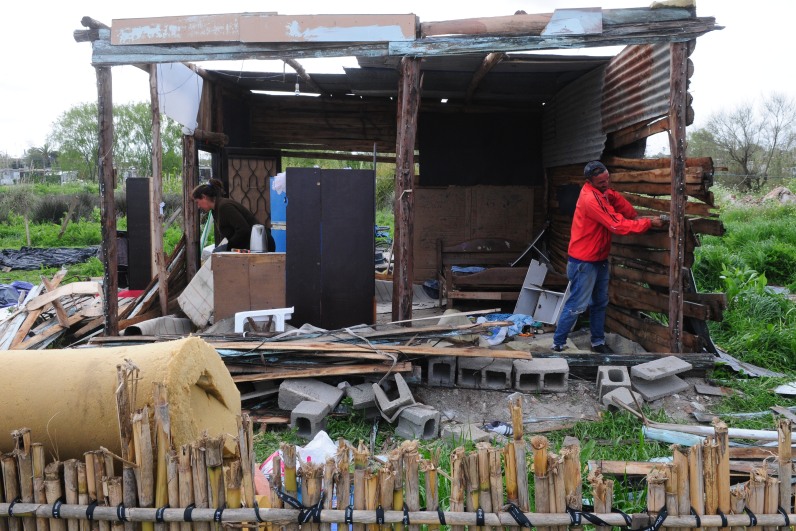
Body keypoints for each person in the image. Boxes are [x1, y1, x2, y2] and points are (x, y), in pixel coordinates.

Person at [552, 161, 664, 353]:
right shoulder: (590, 199)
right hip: (583, 262)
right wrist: (646, 223)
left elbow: (615, 198)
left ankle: (597, 342)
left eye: (607, 179)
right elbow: (616, 226)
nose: (605, 183)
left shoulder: (603, 193)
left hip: (598, 259)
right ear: (590, 181)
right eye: (601, 181)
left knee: (600, 302)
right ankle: (558, 344)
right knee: (577, 304)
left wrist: (633, 216)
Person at [192, 178, 274, 252]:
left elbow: (243, 229)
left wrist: (229, 246)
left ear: (204, 197)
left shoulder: (224, 207)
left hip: (260, 245)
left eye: (197, 202)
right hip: (250, 246)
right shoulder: (215, 209)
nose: (198, 206)